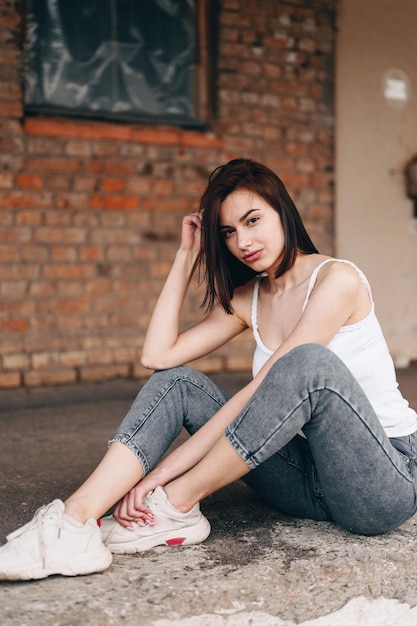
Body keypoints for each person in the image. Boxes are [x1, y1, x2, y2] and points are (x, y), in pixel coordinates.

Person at [1, 158, 417, 581]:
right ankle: (73, 523)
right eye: (229, 232)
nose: (243, 241)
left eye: (253, 220)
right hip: (304, 480)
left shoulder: (338, 280)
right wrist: (185, 256)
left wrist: (164, 477)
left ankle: (177, 506)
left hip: (382, 480)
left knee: (305, 364)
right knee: (177, 382)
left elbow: (265, 388)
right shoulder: (250, 298)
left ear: (283, 212)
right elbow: (159, 355)